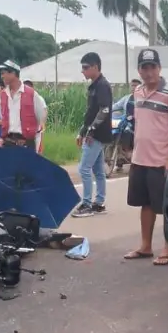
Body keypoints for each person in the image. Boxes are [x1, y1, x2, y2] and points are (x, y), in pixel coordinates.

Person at [123, 49, 168, 266]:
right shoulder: (138, 91)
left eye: (152, 67)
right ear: (139, 70)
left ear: (159, 68)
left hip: (161, 161)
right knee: (145, 205)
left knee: (166, 207)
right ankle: (146, 246)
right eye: (144, 67)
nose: (148, 72)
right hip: (140, 159)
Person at [73, 51, 114, 217]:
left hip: (97, 134)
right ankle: (99, 203)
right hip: (95, 133)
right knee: (97, 170)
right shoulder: (95, 85)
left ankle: (88, 204)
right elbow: (91, 112)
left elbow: (104, 110)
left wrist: (91, 130)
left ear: (95, 67)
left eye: (85, 67)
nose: (83, 71)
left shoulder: (102, 85)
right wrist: (82, 131)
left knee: (83, 169)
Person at [0, 61, 48, 150]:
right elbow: (2, 117)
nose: (2, 76)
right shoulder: (2, 95)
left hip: (26, 142)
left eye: (3, 73)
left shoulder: (32, 94)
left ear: (13, 73)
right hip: (8, 142)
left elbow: (41, 117)